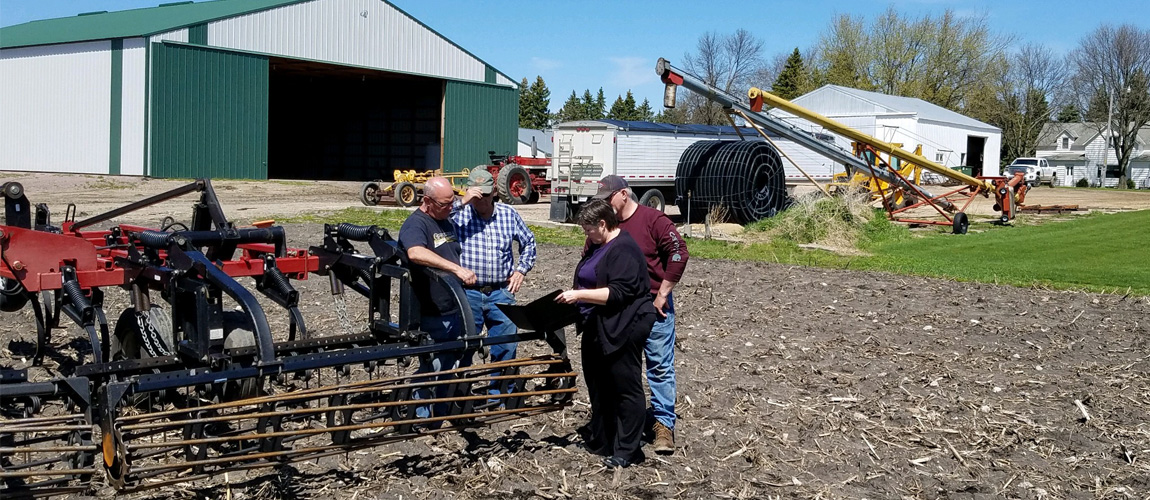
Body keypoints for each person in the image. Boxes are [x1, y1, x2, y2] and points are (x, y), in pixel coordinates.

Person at [556, 199, 657, 468]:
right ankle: (603, 438)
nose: (586, 235)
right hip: (598, 323)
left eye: (588, 229)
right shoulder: (599, 245)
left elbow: (618, 292)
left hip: (625, 323)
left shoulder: (623, 248)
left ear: (603, 224)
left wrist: (578, 295)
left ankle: (628, 449)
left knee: (625, 385)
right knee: (598, 382)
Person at [593, 175, 688, 455]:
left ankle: (663, 425)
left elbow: (679, 253)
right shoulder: (606, 225)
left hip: (654, 305)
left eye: (608, 198)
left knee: (659, 365)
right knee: (622, 368)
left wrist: (663, 292)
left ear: (624, 194)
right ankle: (621, 422)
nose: (605, 204)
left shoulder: (653, 220)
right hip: (619, 308)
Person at [397, 176, 477, 423]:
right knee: (434, 364)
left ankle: (440, 412)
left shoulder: (445, 217)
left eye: (452, 202)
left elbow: (453, 206)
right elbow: (415, 252)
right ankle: (419, 415)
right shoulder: (416, 225)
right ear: (427, 201)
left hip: (454, 305)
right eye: (445, 204)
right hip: (432, 309)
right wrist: (454, 269)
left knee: (451, 359)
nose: (451, 207)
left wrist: (466, 200)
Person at [452, 169, 537, 395]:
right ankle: (457, 396)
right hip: (468, 292)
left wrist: (521, 270)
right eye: (477, 195)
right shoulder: (459, 215)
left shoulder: (508, 215)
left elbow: (529, 242)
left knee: (506, 346)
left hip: (501, 291)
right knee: (463, 345)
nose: (482, 200)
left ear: (495, 192)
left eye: (486, 195)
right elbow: (430, 221)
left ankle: (500, 396)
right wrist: (463, 201)